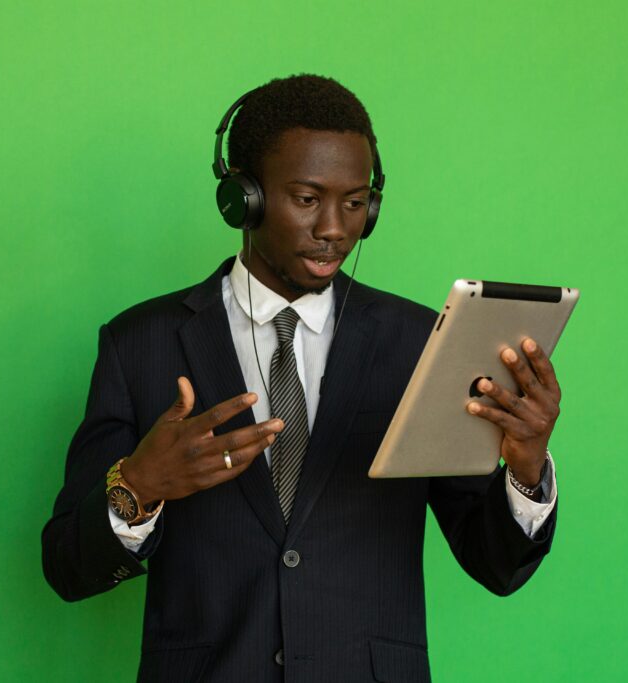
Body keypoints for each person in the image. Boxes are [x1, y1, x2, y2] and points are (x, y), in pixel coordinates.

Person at [42, 74, 562, 683]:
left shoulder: (420, 344)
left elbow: (496, 565)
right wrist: (137, 485)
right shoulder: (140, 343)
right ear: (244, 198)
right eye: (308, 198)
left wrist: (526, 469)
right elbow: (66, 569)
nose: (335, 228)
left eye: (354, 202)